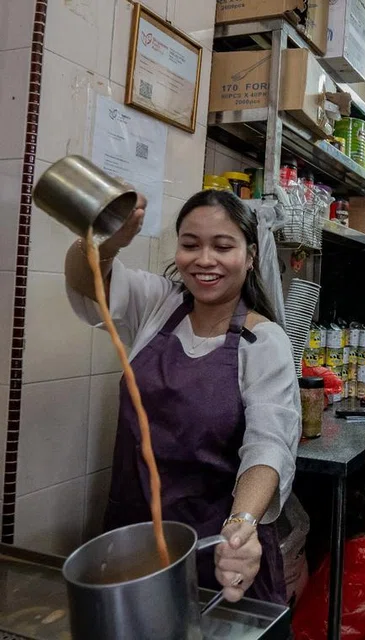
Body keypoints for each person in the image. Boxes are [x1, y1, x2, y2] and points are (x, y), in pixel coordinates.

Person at [65, 190, 300, 604]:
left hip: (219, 547)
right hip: (134, 537)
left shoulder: (264, 342)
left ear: (249, 256)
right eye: (191, 245)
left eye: (223, 247)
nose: (204, 260)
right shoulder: (158, 305)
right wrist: (104, 242)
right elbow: (87, 282)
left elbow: (269, 446)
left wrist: (243, 523)